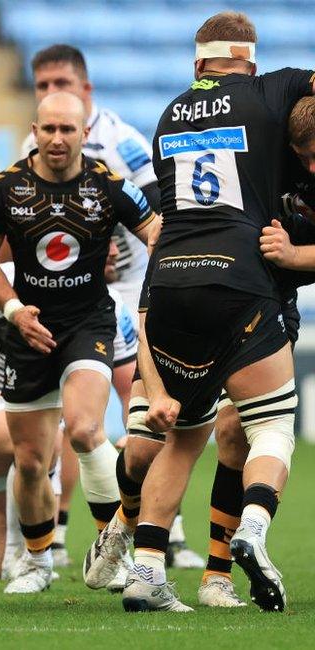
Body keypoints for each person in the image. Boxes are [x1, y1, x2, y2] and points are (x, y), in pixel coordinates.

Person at [116, 12, 314, 613]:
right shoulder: (271, 93)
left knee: (185, 436)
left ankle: (146, 569)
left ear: (198, 64)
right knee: (271, 424)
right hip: (243, 282)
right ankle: (252, 525)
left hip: (172, 279)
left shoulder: (170, 113)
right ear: (249, 63)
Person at [18, 46, 206, 568]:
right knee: (67, 418)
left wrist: (107, 246)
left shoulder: (120, 140)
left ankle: (167, 532)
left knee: (140, 406)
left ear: (87, 89)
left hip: (132, 292)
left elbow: (158, 213)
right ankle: (54, 535)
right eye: (41, 84)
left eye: (61, 80)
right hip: (72, 295)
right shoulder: (30, 145)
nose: (52, 90)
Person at [0, 91, 156, 594]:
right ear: (34, 130)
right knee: (31, 461)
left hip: (89, 324)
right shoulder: (5, 187)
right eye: (48, 129)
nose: (57, 138)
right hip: (28, 327)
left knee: (85, 428)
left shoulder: (108, 184)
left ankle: (113, 551)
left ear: (84, 134)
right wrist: (13, 309)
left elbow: (157, 233)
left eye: (67, 130)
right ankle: (36, 561)